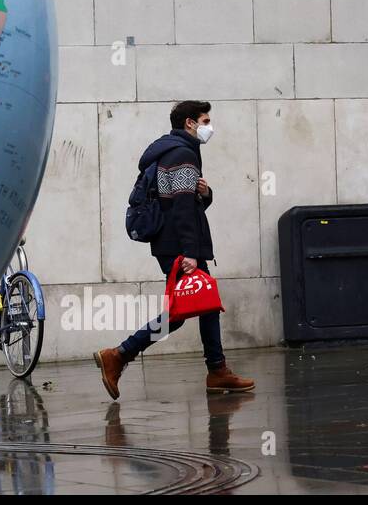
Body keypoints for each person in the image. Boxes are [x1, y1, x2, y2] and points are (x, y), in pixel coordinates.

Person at [94, 100, 255, 400]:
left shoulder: (170, 151)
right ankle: (119, 354)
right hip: (179, 247)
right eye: (205, 121)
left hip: (171, 244)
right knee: (180, 313)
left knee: (204, 305)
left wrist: (205, 194)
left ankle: (216, 370)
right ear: (190, 124)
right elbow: (181, 208)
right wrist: (191, 252)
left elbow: (180, 201)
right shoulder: (182, 154)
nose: (209, 127)